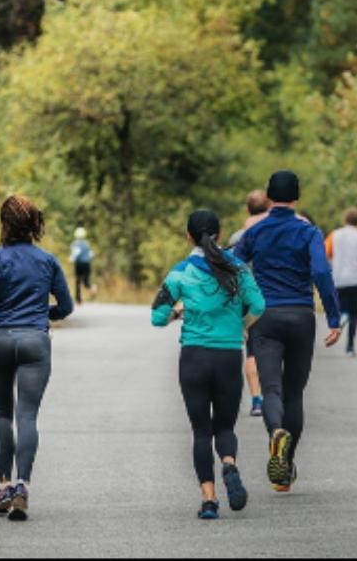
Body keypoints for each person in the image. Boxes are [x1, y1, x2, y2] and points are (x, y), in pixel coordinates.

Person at [0, 195, 74, 522]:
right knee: (27, 416)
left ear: (4, 224)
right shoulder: (48, 261)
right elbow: (66, 308)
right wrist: (41, 315)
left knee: (2, 413)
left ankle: (3, 486)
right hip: (35, 342)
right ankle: (22, 487)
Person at [233, 170, 342, 493]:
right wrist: (334, 317)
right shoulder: (308, 232)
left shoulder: (256, 231)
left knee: (271, 390)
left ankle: (275, 434)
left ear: (268, 197)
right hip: (301, 316)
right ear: (297, 198)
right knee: (294, 393)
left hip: (264, 316)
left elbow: (236, 267)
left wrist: (239, 309)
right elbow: (321, 271)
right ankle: (285, 466)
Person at [152, 210, 266, 520]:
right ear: (218, 233)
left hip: (194, 357)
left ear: (189, 236)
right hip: (228, 355)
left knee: (201, 431)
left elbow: (157, 317)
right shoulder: (239, 269)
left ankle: (209, 500)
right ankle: (229, 463)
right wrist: (240, 325)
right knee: (225, 426)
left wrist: (179, 311)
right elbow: (259, 305)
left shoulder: (180, 272)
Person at [228, 189, 271, 417]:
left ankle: (256, 400)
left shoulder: (237, 237)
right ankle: (275, 395)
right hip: (275, 297)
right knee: (275, 349)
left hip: (247, 298)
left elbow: (231, 273)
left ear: (247, 209)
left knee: (252, 351)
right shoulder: (277, 233)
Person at [325, 208, 357, 357]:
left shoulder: (334, 235)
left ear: (345, 219)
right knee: (354, 312)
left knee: (342, 306)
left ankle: (342, 316)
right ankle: (350, 346)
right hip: (356, 279)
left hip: (337, 278)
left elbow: (326, 254)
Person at [70, 227, 95, 303]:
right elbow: (91, 254)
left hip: (79, 264)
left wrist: (71, 258)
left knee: (78, 281)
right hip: (87, 264)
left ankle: (78, 299)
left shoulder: (75, 244)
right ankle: (92, 287)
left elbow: (76, 252)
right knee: (86, 281)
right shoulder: (87, 244)